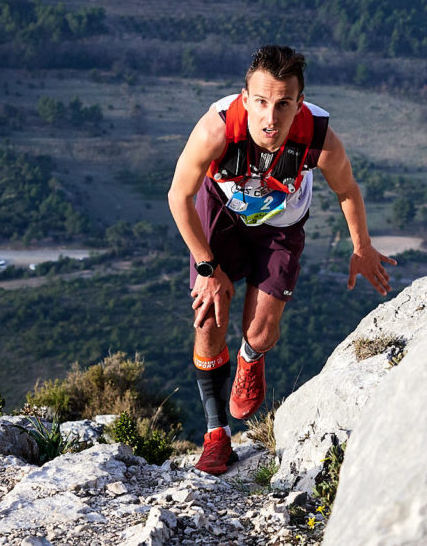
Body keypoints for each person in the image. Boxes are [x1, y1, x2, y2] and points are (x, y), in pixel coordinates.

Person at [167, 44, 396, 475]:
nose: (271, 117)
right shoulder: (216, 131)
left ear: (299, 102)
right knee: (209, 317)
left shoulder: (318, 139)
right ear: (245, 98)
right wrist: (206, 267)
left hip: (281, 226)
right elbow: (178, 195)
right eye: (261, 102)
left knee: (262, 327)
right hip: (221, 214)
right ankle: (217, 434)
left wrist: (361, 247)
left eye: (283, 104)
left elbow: (347, 190)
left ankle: (251, 359)